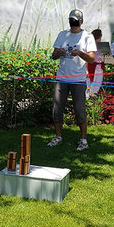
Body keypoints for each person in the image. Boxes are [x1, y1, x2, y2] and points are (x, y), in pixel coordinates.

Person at [47, 9, 96, 151]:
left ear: (81, 21)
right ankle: (58, 137)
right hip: (61, 78)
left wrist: (80, 53)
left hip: (78, 79)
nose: (73, 22)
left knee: (80, 110)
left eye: (75, 20)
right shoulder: (63, 35)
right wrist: (59, 52)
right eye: (71, 20)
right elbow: (53, 56)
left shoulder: (87, 36)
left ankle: (83, 140)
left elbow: (91, 59)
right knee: (57, 109)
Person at [87, 29, 104, 96]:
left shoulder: (102, 46)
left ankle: (93, 95)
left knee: (97, 82)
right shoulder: (90, 45)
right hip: (92, 66)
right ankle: (89, 95)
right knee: (91, 82)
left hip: (99, 66)